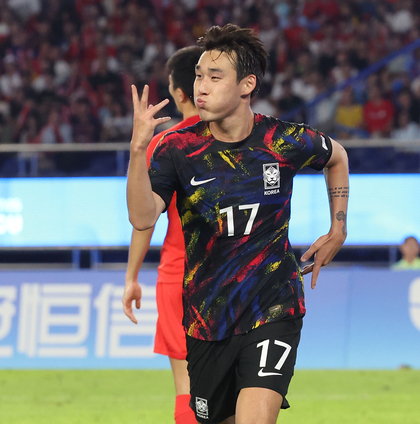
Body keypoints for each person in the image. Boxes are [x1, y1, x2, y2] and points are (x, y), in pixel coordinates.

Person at [126, 24, 349, 424]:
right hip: (206, 319)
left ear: (247, 85)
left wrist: (338, 229)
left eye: (215, 77)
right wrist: (138, 149)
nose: (201, 87)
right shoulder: (177, 149)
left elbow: (337, 157)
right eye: (199, 76)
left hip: (273, 305)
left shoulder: (281, 140)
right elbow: (142, 217)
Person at [123, 46, 201, 424]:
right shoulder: (241, 137)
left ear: (180, 93)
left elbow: (145, 220)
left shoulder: (166, 143)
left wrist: (131, 277)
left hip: (178, 274)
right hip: (236, 273)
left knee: (186, 385)